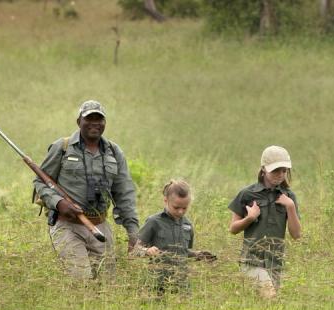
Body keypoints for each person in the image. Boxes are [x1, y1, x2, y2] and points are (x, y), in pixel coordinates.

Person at [33, 100, 139, 279]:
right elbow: (41, 181)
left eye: (99, 119)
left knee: (106, 286)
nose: (94, 123)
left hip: (100, 228)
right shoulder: (62, 147)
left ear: (105, 123)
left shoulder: (114, 152)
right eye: (89, 118)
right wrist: (59, 204)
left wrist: (133, 233)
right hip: (68, 226)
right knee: (80, 279)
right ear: (79, 122)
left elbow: (124, 194)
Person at [228, 146, 302, 299]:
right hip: (252, 260)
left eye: (284, 170)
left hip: (275, 262)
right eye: (276, 170)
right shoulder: (247, 194)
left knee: (266, 308)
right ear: (263, 169)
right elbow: (233, 229)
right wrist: (249, 218)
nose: (280, 175)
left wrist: (290, 206)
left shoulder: (289, 196)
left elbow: (296, 234)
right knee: (270, 297)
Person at [132, 180, 216, 294]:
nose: (181, 212)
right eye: (176, 207)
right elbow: (135, 250)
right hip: (157, 284)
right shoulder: (154, 222)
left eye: (185, 208)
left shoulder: (188, 225)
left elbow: (184, 252)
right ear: (165, 201)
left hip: (182, 285)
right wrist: (147, 251)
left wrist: (198, 255)